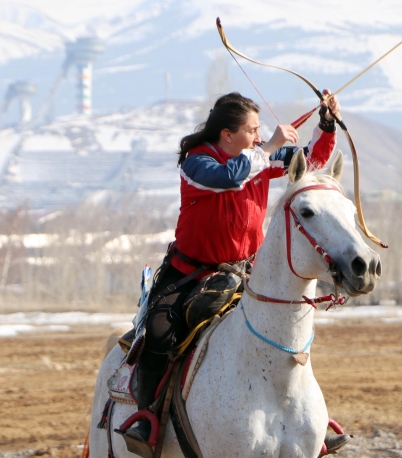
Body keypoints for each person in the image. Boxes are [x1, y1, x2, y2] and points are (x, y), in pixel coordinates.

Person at [123, 89, 351, 454]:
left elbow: (311, 162)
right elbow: (228, 178)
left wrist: (326, 124)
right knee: (160, 332)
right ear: (227, 135)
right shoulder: (197, 163)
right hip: (190, 274)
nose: (259, 136)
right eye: (252, 130)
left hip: (247, 273)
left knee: (287, 333)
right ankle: (147, 418)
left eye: (260, 130)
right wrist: (269, 147)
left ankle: (307, 422)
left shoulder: (259, 157)